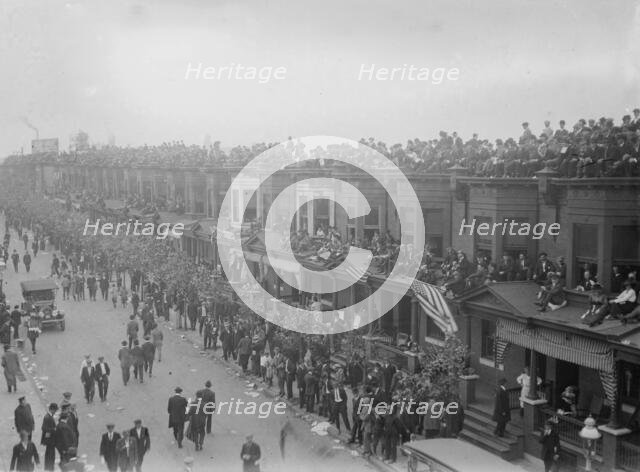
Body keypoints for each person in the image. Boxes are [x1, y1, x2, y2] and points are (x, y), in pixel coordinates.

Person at [40, 403, 58, 471]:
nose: (55, 412)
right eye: (55, 410)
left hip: (49, 440)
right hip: (50, 441)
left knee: (49, 455)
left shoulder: (49, 416)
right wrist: (53, 429)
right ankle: (50, 468)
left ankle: (49, 468)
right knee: (50, 456)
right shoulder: (48, 417)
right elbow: (44, 428)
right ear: (52, 409)